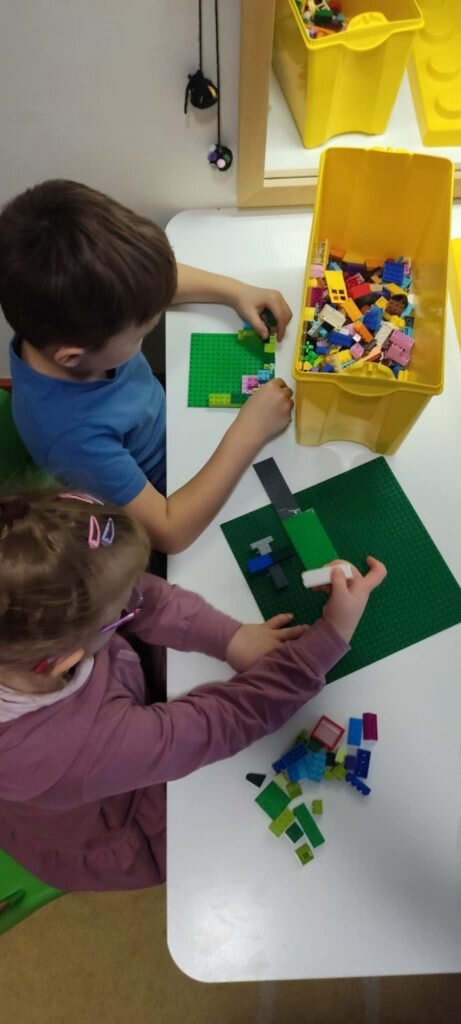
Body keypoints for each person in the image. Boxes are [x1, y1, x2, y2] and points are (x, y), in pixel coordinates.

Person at [0, 490, 386, 892]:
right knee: (214, 813)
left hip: (110, 714)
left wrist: (231, 637)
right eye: (119, 611)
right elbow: (221, 722)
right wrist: (331, 636)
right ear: (67, 659)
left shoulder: (31, 628)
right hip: (122, 821)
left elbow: (142, 598)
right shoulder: (82, 748)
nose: (133, 599)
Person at [0, 179, 294, 553]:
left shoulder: (72, 320)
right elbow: (170, 533)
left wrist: (235, 291)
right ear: (73, 356)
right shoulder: (72, 435)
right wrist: (249, 431)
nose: (144, 338)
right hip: (168, 489)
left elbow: (151, 285)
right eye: (139, 336)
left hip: (169, 426)